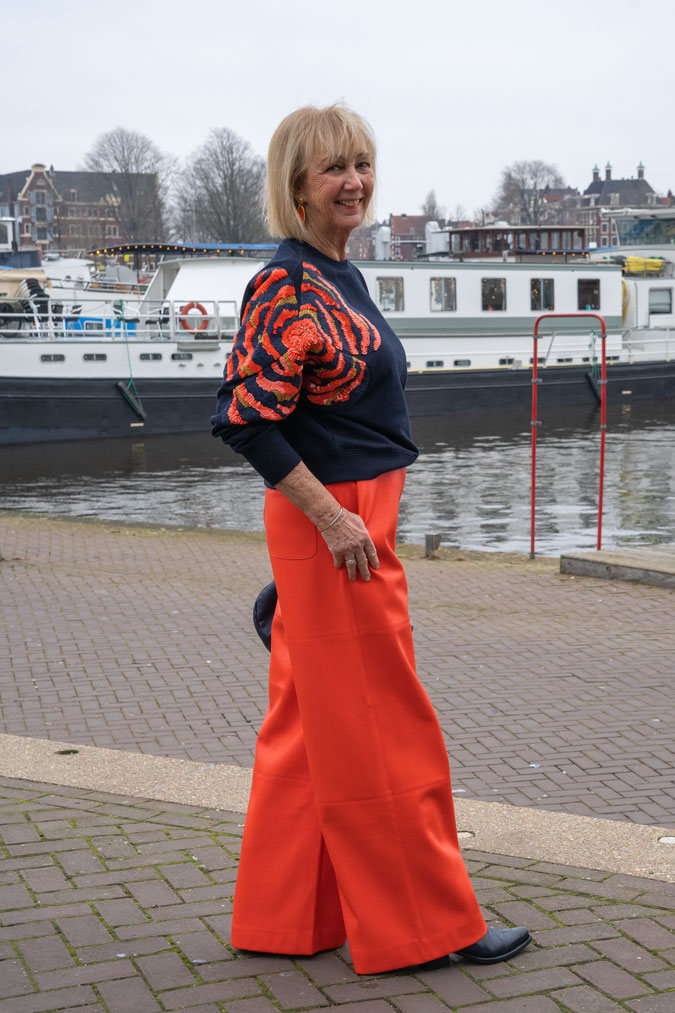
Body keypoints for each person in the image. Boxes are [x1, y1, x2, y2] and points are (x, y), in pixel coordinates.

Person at [211, 104, 531, 975]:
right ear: (295, 188)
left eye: (360, 163)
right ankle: (429, 927)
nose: (354, 181)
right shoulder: (286, 285)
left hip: (350, 518)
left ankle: (280, 915)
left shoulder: (339, 273)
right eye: (331, 170)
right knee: (389, 728)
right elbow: (247, 422)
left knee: (307, 725)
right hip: (341, 523)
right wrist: (330, 520)